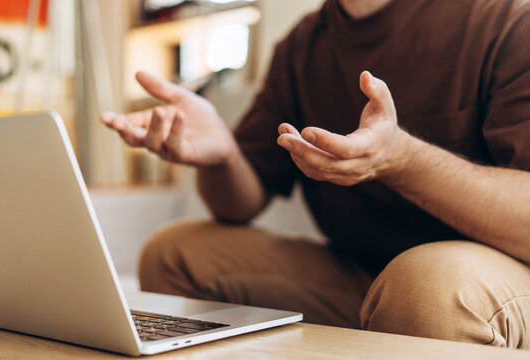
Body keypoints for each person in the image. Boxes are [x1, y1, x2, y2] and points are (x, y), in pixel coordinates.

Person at [101, 0, 530, 348]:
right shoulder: (303, 43)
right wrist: (221, 155)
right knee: (173, 254)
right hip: (363, 275)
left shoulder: (506, 18)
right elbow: (239, 204)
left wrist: (404, 159)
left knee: (425, 289)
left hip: (486, 280)